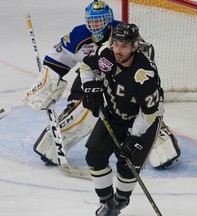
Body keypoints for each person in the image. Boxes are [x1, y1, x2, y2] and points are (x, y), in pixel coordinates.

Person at [25, 0, 180, 170]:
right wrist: (48, 81)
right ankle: (52, 145)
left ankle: (163, 145)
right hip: (90, 76)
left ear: (109, 19)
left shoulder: (122, 33)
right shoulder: (79, 35)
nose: (95, 25)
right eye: (92, 21)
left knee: (137, 110)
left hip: (123, 81)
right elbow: (58, 61)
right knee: (85, 110)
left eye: (99, 21)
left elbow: (145, 61)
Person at [80, 22, 164, 216]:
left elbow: (149, 112)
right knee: (94, 156)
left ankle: (121, 200)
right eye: (116, 44)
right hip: (115, 113)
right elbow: (85, 66)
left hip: (144, 121)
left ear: (134, 47)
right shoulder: (105, 54)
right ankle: (108, 205)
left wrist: (134, 137)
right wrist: (90, 85)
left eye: (124, 46)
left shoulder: (143, 74)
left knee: (127, 166)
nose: (118, 50)